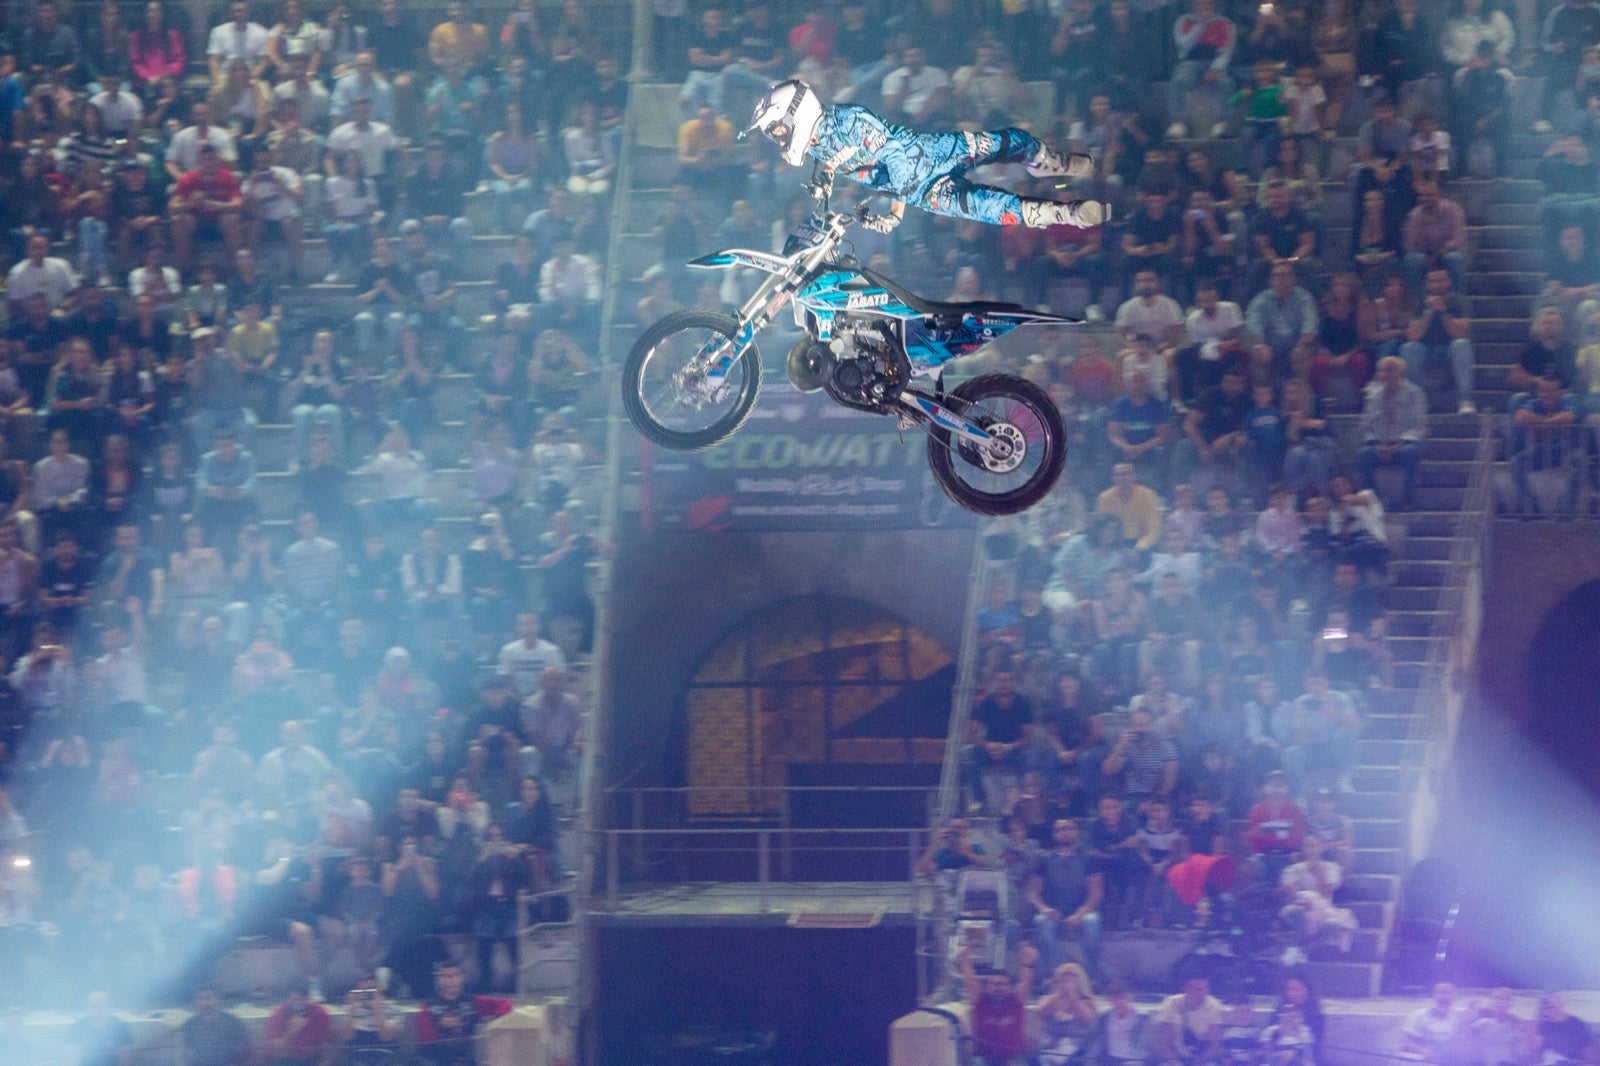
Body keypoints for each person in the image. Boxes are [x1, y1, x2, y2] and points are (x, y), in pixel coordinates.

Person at [742, 79, 1104, 230]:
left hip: (936, 154)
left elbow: (893, 154)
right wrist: (885, 216)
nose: (777, 140)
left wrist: (893, 211)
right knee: (994, 209)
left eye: (777, 130)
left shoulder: (847, 119)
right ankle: (1066, 214)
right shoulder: (819, 149)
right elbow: (874, 176)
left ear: (795, 114)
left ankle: (1051, 163)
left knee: (1004, 143)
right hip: (924, 194)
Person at [1028, 817, 1105, 977]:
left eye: (1068, 828)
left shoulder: (1089, 858)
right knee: (1042, 923)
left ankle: (1091, 976)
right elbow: (1033, 893)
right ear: (1054, 834)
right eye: (1059, 830)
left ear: (1076, 832)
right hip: (1053, 911)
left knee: (1092, 922)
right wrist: (1045, 909)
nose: (1064, 833)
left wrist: (1079, 915)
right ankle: (1055, 975)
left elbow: (1096, 893)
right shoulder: (1044, 859)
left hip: (1082, 911)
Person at [1357, 356, 1427, 510]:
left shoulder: (1414, 393)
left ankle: (1406, 499)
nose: (1386, 374)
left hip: (1404, 443)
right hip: (1379, 443)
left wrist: (1401, 441)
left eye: (1390, 370)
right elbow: (1365, 425)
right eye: (1383, 371)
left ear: (1400, 373)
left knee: (1409, 453)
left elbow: (1420, 425)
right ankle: (1373, 499)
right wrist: (1376, 443)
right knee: (1364, 455)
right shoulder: (1374, 396)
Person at [958, 941, 1038, 1066]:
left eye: (1002, 984)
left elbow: (1025, 981)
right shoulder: (980, 1000)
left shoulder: (1017, 1000)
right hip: (984, 1058)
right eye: (993, 984)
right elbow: (970, 983)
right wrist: (964, 961)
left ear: (1011, 987)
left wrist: (1028, 963)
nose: (998, 987)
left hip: (1014, 1058)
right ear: (986, 987)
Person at [1156, 976, 1226, 1066]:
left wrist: (1199, 1062)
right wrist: (1175, 1062)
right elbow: (1164, 1043)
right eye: (1197, 989)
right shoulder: (1172, 1003)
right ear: (1186, 989)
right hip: (1175, 1058)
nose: (1201, 993)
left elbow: (1214, 1044)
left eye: (1205, 989)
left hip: (1203, 1060)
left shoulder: (1214, 1006)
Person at [263, 981, 336, 1065]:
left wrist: (325, 1062)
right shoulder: (278, 1014)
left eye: (302, 1000)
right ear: (288, 999)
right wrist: (291, 1031)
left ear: (308, 998)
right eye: (294, 1000)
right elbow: (278, 1054)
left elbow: (328, 1044)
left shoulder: (319, 1012)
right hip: (286, 1060)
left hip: (311, 1059)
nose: (298, 1004)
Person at [180, 986, 251, 1066]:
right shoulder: (190, 1025)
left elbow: (246, 1051)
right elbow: (187, 1055)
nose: (205, 1003)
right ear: (196, 1002)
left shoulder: (233, 1022)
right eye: (201, 999)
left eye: (208, 998)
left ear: (217, 999)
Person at [1401, 982, 1470, 1062]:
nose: (1444, 996)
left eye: (1448, 993)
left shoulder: (1462, 1014)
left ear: (1455, 997)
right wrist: (1422, 1051)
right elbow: (1407, 1043)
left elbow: (1486, 1010)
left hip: (1453, 1060)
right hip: (1426, 1060)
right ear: (1434, 996)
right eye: (1441, 993)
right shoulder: (1419, 1015)